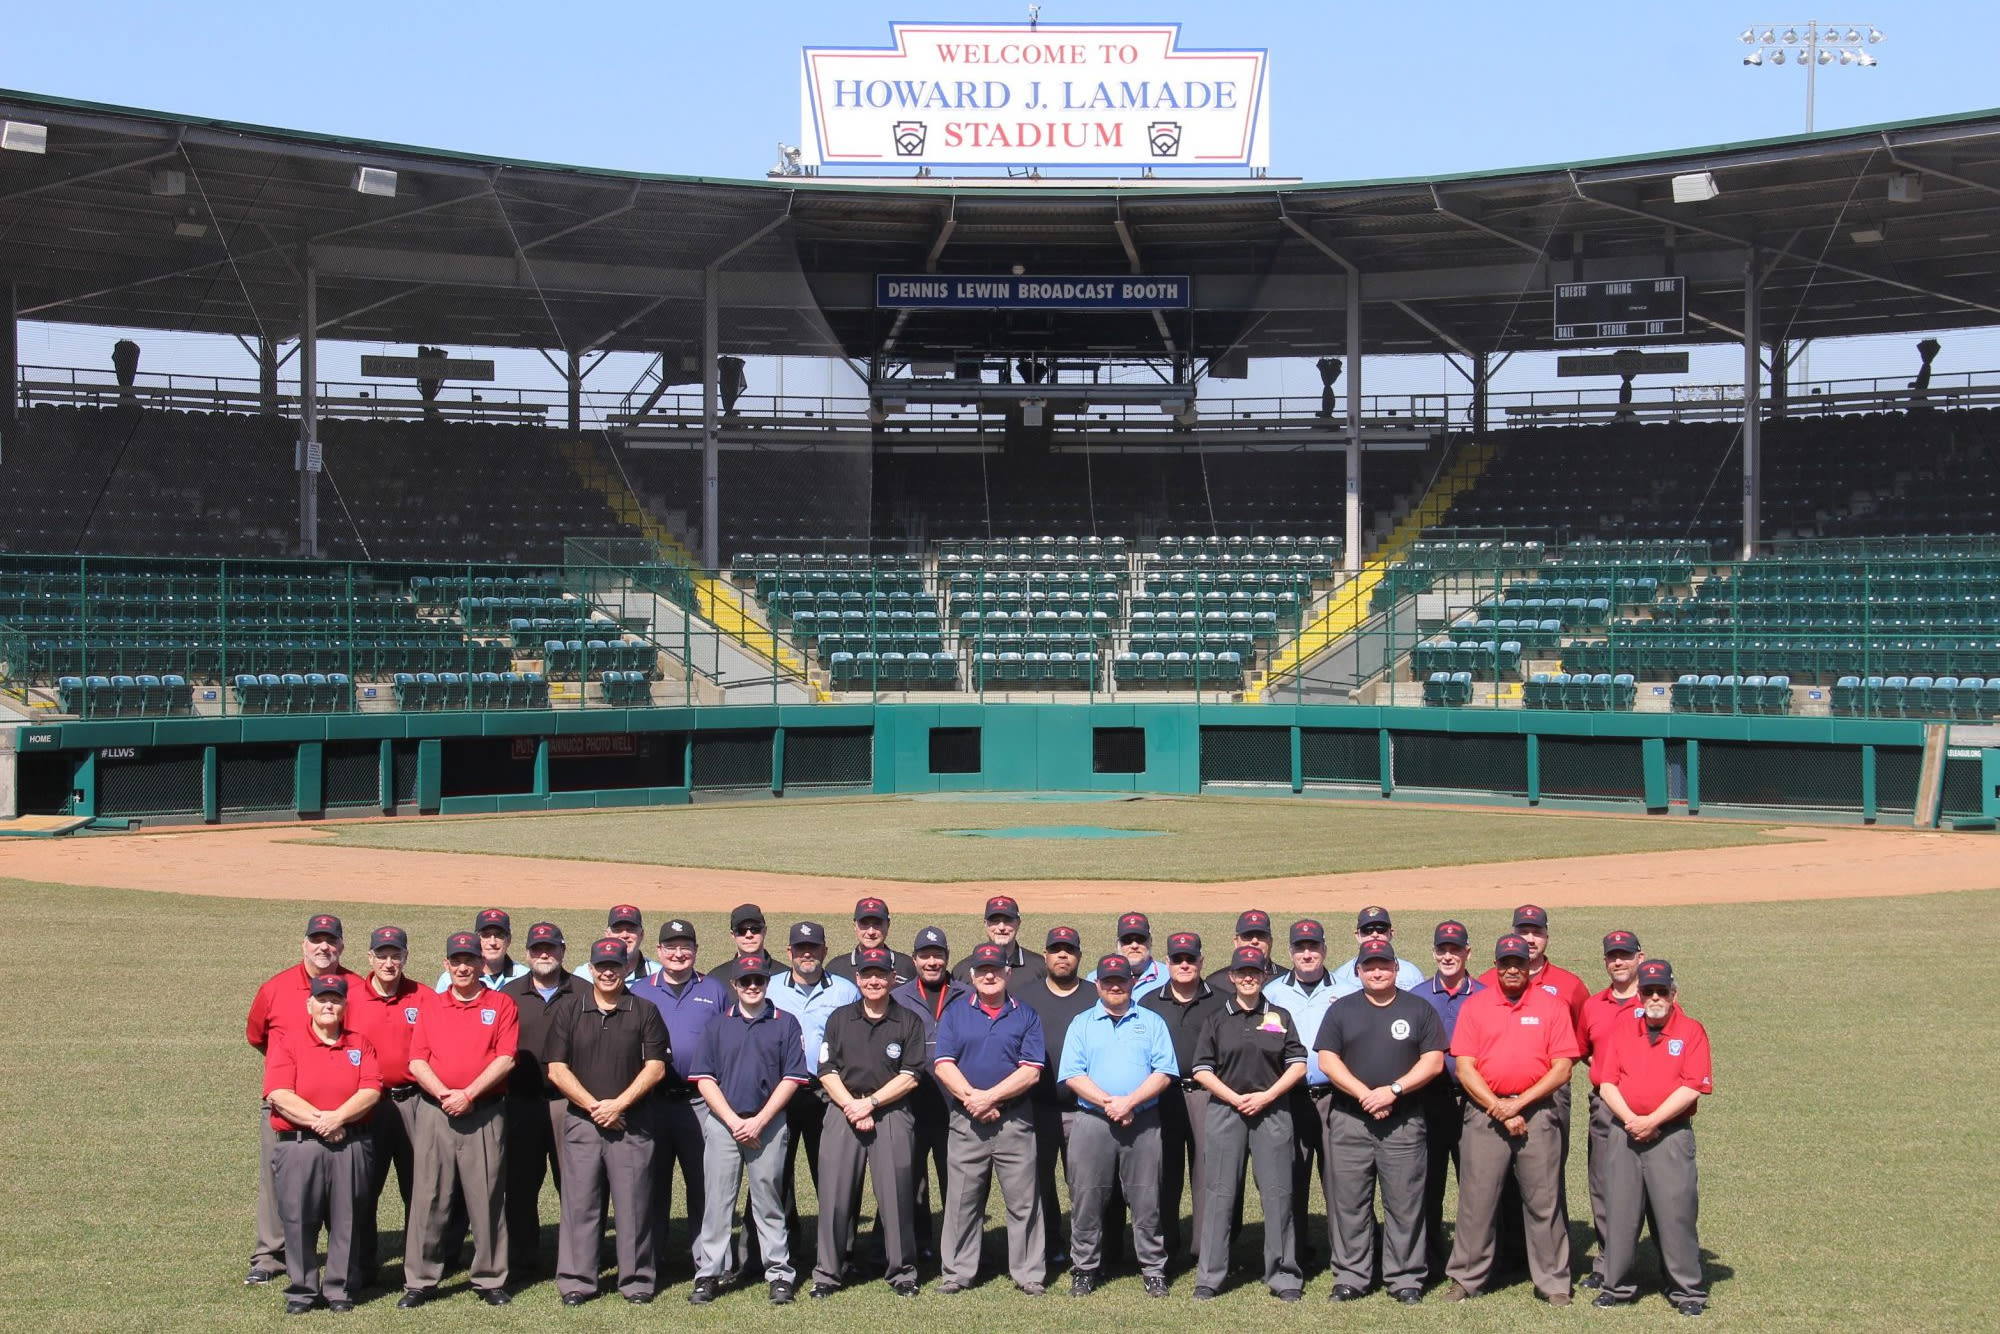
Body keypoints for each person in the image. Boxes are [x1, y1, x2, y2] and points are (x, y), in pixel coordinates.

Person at [1444, 934, 1581, 1307]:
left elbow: (1563, 1067)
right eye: (1505, 963)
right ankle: (1466, 1277)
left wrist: (1519, 1103)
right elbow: (1465, 1065)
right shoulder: (1477, 1005)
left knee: (1544, 1198)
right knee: (1477, 1198)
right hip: (1486, 1114)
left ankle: (1553, 1282)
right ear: (1497, 964)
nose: (1512, 969)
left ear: (1528, 966)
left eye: (1518, 963)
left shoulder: (1552, 1006)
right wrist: (1498, 1106)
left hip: (1537, 1112)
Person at [1314, 937, 1448, 1304]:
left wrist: (1393, 1090)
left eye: (1383, 965)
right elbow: (1327, 1060)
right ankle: (1351, 1276)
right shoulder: (1341, 1010)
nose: (1377, 971)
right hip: (1350, 1119)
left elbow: (1433, 1061)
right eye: (1369, 966)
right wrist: (1364, 1094)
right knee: (1349, 1201)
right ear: (1358, 972)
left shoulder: (1419, 1009)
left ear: (1396, 969)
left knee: (1404, 1202)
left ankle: (1405, 1277)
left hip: (1403, 1121)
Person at [546, 938, 670, 1306]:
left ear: (626, 967)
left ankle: (636, 1282)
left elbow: (656, 1067)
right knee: (580, 1204)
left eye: (615, 965)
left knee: (634, 1205)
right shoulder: (569, 1009)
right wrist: (594, 1107)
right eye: (601, 965)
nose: (608, 971)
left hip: (632, 1124)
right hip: (583, 1123)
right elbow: (556, 1068)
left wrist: (618, 1105)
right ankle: (577, 1281)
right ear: (591, 968)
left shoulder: (644, 1010)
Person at [400, 932, 519, 1308]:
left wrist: (468, 1094)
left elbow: (506, 1057)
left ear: (482, 964)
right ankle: (420, 1280)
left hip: (483, 1112)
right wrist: (445, 1094)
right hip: (435, 1112)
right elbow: (417, 1059)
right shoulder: (431, 1006)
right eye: (457, 960)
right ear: (446, 965)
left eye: (470, 960)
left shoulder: (501, 1004)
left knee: (486, 1196)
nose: (464, 966)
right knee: (429, 1196)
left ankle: (489, 1278)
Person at [244, 913, 363, 1287]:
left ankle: (349, 1262)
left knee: (345, 1186)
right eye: (317, 939)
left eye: (331, 940)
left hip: (345, 1111)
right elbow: (257, 1036)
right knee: (276, 1180)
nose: (323, 946)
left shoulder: (358, 986)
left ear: (342, 946)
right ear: (304, 944)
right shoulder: (275, 988)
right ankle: (269, 1256)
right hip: (286, 1104)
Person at [687, 953, 810, 1306]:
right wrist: (733, 1121)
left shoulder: (785, 1023)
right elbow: (705, 1079)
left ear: (767, 983)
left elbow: (792, 1077)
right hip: (725, 1124)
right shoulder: (717, 1025)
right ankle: (708, 1274)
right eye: (745, 981)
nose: (752, 986)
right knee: (717, 1201)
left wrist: (759, 1120)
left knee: (769, 1200)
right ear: (734, 985)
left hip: (768, 1124)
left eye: (758, 980)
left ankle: (779, 1273)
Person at [1592, 960, 1713, 1316]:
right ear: (1640, 995)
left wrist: (1653, 1120)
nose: (1655, 997)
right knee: (1620, 1212)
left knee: (1675, 1213)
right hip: (1624, 1132)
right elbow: (1606, 1081)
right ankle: (1616, 1285)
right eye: (1649, 991)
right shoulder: (1622, 1030)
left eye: (1662, 991)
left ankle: (1687, 1290)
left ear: (1675, 994)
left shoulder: (1692, 1031)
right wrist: (1632, 1119)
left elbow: (1693, 1087)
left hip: (1670, 1134)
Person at [1189, 946, 1308, 1303]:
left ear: (1262, 975)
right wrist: (1233, 1097)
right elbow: (1201, 1069)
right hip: (1227, 1112)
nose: (1248, 977)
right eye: (1242, 972)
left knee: (1278, 1193)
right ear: (1232, 976)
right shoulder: (1216, 1018)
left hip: (1272, 1111)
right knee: (1219, 1194)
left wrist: (1267, 1096)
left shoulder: (1280, 1015)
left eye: (1254, 972)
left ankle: (1284, 1276)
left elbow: (1298, 1064)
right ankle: (1210, 1276)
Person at [1057, 954, 1178, 1298]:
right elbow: (1072, 1074)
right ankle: (1084, 1267)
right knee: (1087, 1198)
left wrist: (1131, 1102)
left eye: (1121, 980)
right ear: (1097, 985)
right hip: (1093, 1121)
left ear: (1132, 982)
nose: (1114, 986)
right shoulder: (1082, 1022)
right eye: (1108, 981)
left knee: (1146, 1198)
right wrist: (1110, 1103)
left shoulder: (1151, 1021)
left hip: (1143, 1122)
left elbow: (1164, 1071)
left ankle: (1153, 1269)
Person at [932, 941, 1049, 1295]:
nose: (989, 976)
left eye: (995, 970)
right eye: (982, 971)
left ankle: (1029, 1274)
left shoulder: (1025, 1014)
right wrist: (973, 1100)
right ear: (972, 975)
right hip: (967, 1121)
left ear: (1007, 973)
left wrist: (990, 1097)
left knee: (1023, 1201)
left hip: (1014, 1120)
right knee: (962, 1200)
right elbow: (943, 1064)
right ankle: (957, 1273)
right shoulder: (955, 1013)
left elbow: (1031, 1071)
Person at [811, 947, 928, 1299]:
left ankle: (902, 1272)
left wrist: (872, 1104)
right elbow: (826, 1069)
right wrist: (851, 1105)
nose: (874, 980)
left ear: (893, 978)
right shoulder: (839, 1018)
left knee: (895, 1194)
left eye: (880, 974)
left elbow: (911, 1074)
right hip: (842, 1109)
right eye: (867, 974)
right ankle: (827, 1274)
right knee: (834, 1195)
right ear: (858, 978)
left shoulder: (908, 1020)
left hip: (891, 1111)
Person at [262, 974, 382, 1314]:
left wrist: (338, 1118)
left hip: (350, 1144)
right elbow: (279, 1094)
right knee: (299, 1218)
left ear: (345, 1006)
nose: (329, 1005)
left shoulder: (360, 1043)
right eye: (322, 999)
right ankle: (302, 1290)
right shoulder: (287, 1042)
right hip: (299, 1145)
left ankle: (340, 1289)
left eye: (336, 999)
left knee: (347, 1218)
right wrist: (322, 1121)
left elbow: (371, 1090)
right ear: (309, 1004)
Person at [631, 916, 730, 1275]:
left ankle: (707, 1261)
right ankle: (650, 1259)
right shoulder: (641, 989)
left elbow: (726, 1040)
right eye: (670, 947)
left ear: (695, 950)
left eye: (684, 946)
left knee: (705, 1182)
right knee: (650, 1183)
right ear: (658, 951)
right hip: (652, 1101)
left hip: (700, 1100)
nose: (678, 953)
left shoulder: (714, 989)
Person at [498, 921, 591, 1278]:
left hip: (569, 1104)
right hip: (521, 1102)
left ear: (563, 951)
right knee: (520, 1184)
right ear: (527, 954)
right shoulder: (509, 993)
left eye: (550, 948)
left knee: (575, 1183)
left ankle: (579, 1257)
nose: (544, 954)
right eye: (537, 949)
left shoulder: (583, 991)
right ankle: (522, 1258)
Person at [766, 921, 860, 1267]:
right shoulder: (771, 987)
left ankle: (841, 1252)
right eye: (800, 948)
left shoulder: (846, 991)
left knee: (834, 1175)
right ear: (789, 952)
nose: (807, 954)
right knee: (778, 1174)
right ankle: (783, 1250)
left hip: (828, 1093)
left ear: (824, 950)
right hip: (782, 1093)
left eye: (814, 948)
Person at [343, 925, 424, 1290]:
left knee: (419, 1190)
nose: (389, 963)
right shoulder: (349, 997)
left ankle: (417, 1268)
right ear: (369, 958)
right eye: (382, 955)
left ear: (406, 957)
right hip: (367, 1107)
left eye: (396, 955)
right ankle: (360, 1266)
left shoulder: (422, 996)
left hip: (415, 1103)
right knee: (362, 1188)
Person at [1142, 930, 1225, 1270]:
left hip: (1209, 1096)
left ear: (1201, 961)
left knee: (1209, 1175)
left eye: (1191, 958)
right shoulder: (1148, 1001)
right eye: (1178, 959)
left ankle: (1205, 1251)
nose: (1185, 964)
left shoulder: (1221, 1000)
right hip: (1162, 1095)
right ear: (1167, 963)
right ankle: (1164, 1249)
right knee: (1163, 1173)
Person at [1262, 918, 1340, 1270]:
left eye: (1313, 946)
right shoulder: (1273, 992)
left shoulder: (1346, 988)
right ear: (1290, 951)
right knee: (1290, 1176)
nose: (1307, 953)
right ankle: (1294, 1252)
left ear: (1324, 948)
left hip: (1336, 1098)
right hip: (1289, 1097)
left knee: (1340, 1180)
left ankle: (1345, 1254)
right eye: (1300, 947)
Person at [1413, 919, 1484, 1285]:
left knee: (1477, 1184)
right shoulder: (1418, 995)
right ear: (1434, 952)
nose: (1448, 956)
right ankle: (1429, 1259)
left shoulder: (1486, 994)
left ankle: (1479, 1260)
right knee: (1429, 1182)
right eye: (1442, 949)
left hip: (1477, 1102)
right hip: (1431, 1100)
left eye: (1455, 949)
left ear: (1468, 952)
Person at [1022, 924, 1095, 1273]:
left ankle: (1090, 1251)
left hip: (1086, 1110)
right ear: (1046, 955)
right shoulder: (1026, 995)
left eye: (1069, 949)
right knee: (1038, 1183)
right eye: (1056, 949)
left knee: (1085, 1185)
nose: (1062, 955)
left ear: (1079, 955)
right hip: (1036, 1108)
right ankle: (1049, 1246)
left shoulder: (1096, 995)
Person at [890, 924, 966, 1259]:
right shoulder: (898, 996)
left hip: (956, 1107)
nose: (932, 961)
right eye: (925, 956)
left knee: (958, 1182)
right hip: (911, 1106)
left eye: (938, 955)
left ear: (947, 958)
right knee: (912, 1184)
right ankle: (917, 1248)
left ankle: (959, 1249)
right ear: (915, 959)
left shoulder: (966, 994)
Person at [1577, 928, 1646, 1290]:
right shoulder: (1593, 1005)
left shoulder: (1654, 1000)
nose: (1618, 961)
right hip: (1605, 1105)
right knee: (1603, 1182)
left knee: (1651, 1184)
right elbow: (1582, 1048)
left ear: (1640, 957)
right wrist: (1606, 1075)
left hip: (1650, 1107)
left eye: (1625, 954)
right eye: (1612, 955)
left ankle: (1658, 1260)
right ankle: (1607, 1260)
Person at [1328, 907, 1426, 996]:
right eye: (1368, 930)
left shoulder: (1411, 974)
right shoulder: (1342, 976)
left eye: (1381, 929)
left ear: (1391, 934)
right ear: (1357, 935)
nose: (1375, 934)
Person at [952, 895, 1046, 985]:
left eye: (1008, 920)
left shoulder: (1040, 966)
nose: (1001, 927)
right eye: (995, 920)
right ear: (986, 924)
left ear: (1018, 923)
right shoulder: (963, 970)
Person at [828, 896, 916, 985]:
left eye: (877, 924)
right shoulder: (836, 969)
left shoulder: (907, 966)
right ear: (855, 925)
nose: (871, 932)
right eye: (864, 924)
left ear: (888, 925)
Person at [436, 908, 528, 991]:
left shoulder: (525, 976)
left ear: (508, 940)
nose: (492, 942)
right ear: (476, 939)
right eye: (486, 935)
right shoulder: (451, 979)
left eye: (499, 935)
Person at [575, 905, 663, 985]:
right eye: (617, 930)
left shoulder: (659, 974)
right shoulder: (583, 975)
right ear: (607, 935)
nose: (624, 935)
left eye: (631, 930)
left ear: (641, 935)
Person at [1087, 912, 1166, 999]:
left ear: (1150, 941)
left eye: (1140, 939)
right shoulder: (1096, 979)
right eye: (1127, 940)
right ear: (1118, 944)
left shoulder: (1168, 977)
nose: (1134, 946)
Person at [1205, 909, 1277, 990]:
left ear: (1270, 941)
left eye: (1261, 936)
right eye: (1248, 936)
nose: (1254, 941)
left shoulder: (1286, 979)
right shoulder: (1215, 983)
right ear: (1236, 942)